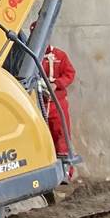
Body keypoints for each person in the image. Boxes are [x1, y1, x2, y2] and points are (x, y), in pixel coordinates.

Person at [40, 44, 77, 179]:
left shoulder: (59, 55)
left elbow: (70, 73)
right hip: (39, 104)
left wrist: (57, 84)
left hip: (57, 103)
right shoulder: (30, 58)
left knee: (61, 136)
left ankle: (66, 174)